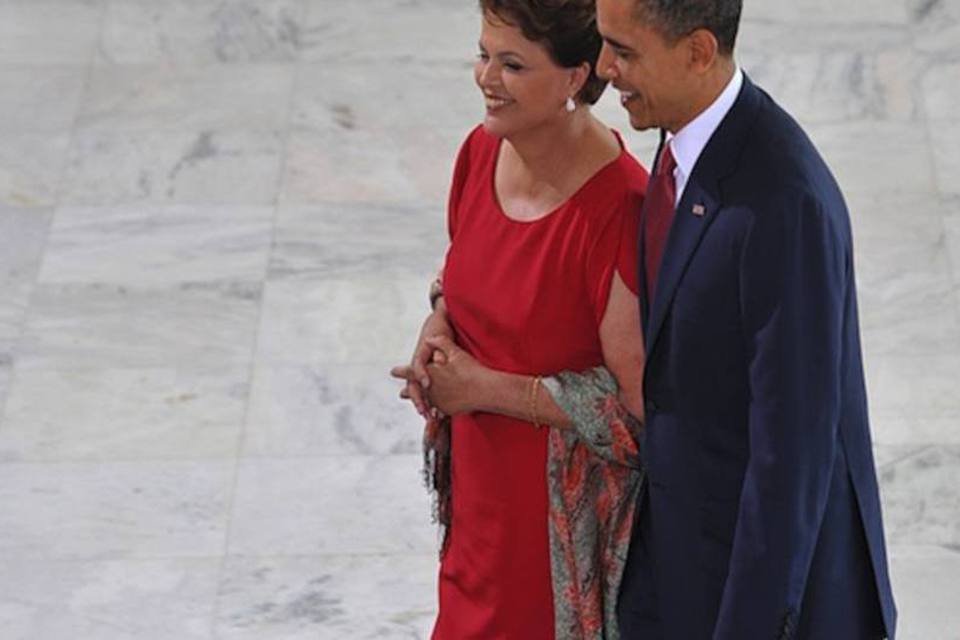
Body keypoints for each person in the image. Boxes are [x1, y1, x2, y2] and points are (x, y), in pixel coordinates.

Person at [583, 0, 897, 638]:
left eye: (625, 51)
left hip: (757, 601)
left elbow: (791, 456)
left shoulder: (785, 203)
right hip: (682, 571)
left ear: (698, 51)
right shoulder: (681, 143)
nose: (604, 68)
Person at [390, 1, 649, 637]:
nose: (485, 78)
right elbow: (465, 277)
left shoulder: (622, 208)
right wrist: (440, 321)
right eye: (483, 55)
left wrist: (482, 389)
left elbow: (636, 418)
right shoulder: (480, 152)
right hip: (476, 515)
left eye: (511, 64)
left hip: (553, 541)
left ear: (574, 76)